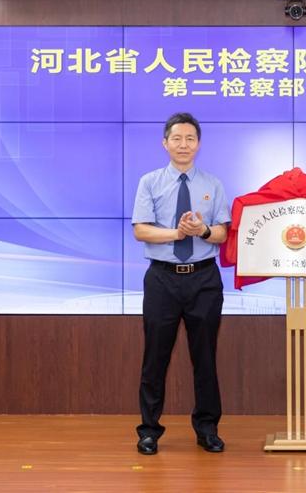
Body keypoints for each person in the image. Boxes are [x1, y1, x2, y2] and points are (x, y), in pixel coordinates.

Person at [132, 112, 231, 455]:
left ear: (198, 144)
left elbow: (222, 233)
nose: (183, 145)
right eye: (177, 138)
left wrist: (202, 230)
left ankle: (207, 429)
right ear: (165, 143)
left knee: (205, 357)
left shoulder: (213, 184)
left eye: (190, 139)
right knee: (155, 357)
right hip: (162, 279)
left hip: (204, 279)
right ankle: (149, 430)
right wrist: (178, 233)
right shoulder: (150, 182)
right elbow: (141, 230)